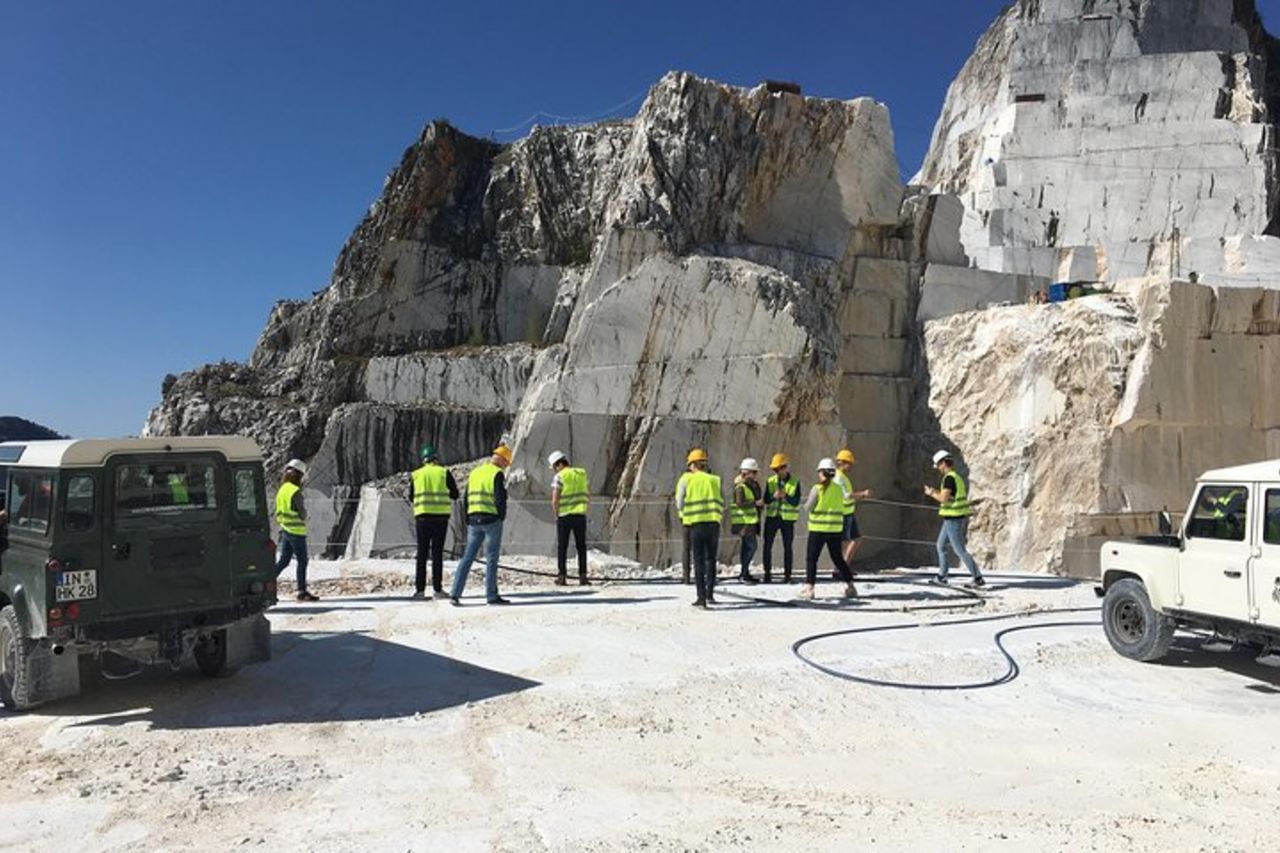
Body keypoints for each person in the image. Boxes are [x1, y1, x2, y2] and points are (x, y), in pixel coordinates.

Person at [449, 446, 513, 606]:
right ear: (502, 459)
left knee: (467, 558)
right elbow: (500, 499)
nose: (506, 466)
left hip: (474, 519)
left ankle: (454, 594)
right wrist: (501, 516)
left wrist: (467, 518)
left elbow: (466, 496)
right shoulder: (496, 474)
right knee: (491, 559)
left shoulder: (476, 472)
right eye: (506, 462)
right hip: (491, 520)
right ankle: (491, 596)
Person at [925, 450, 986, 587]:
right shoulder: (956, 477)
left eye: (938, 465)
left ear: (943, 463)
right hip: (951, 517)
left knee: (959, 550)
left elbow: (944, 499)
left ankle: (978, 578)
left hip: (953, 518)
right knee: (940, 546)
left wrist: (931, 492)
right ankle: (942, 576)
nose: (938, 469)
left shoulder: (949, 478)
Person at [802, 459, 857, 601]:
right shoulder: (838, 489)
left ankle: (809, 588)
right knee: (838, 558)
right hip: (835, 529)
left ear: (821, 472)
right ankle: (850, 585)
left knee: (812, 559)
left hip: (818, 529)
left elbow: (808, 507)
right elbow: (846, 502)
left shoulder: (817, 489)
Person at [410, 445, 459, 600]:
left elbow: (411, 496)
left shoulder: (416, 475)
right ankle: (438, 590)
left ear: (424, 460)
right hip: (440, 519)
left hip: (422, 518)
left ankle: (419, 591)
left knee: (422, 554)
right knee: (437, 554)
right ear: (436, 458)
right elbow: (455, 494)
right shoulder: (444, 473)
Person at [676, 449, 723, 608]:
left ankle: (701, 598)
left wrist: (683, 515)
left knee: (698, 561)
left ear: (693, 464)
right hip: (714, 524)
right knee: (711, 560)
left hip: (695, 524)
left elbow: (679, 501)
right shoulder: (715, 479)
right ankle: (710, 595)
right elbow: (722, 500)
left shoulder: (687, 479)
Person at [274, 459, 318, 602]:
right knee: (302, 561)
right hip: (296, 531)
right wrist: (306, 517)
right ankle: (301, 591)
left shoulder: (282, 489)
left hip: (285, 529)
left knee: (284, 561)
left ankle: (266, 582)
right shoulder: (295, 491)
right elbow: (302, 514)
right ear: (300, 476)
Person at [549, 450, 590, 586]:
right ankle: (583, 577)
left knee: (562, 547)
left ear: (559, 464)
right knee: (581, 546)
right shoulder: (581, 473)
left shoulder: (560, 476)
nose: (554, 470)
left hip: (564, 516)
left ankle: (562, 577)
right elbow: (587, 494)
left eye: (554, 467)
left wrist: (556, 515)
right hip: (580, 515)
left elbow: (555, 499)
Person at [762, 453, 800, 584]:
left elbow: (796, 501)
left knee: (787, 547)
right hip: (772, 517)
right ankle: (767, 573)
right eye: (775, 470)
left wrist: (786, 496)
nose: (777, 472)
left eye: (779, 469)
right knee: (767, 545)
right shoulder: (771, 481)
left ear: (785, 468)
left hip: (787, 519)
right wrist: (773, 496)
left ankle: (788, 575)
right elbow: (766, 499)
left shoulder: (795, 482)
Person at [833, 449, 873, 570]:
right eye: (850, 464)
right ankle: (840, 569)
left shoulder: (841, 477)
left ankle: (843, 567)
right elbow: (846, 495)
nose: (851, 466)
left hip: (848, 513)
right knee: (844, 543)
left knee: (856, 539)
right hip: (843, 514)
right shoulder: (838, 478)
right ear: (843, 463)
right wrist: (863, 494)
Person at [731, 458, 763, 584]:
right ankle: (744, 573)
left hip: (751, 521)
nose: (756, 475)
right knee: (752, 547)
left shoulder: (753, 485)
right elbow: (739, 503)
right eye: (754, 472)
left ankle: (745, 573)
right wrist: (755, 503)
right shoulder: (740, 487)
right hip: (744, 523)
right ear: (746, 473)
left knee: (747, 547)